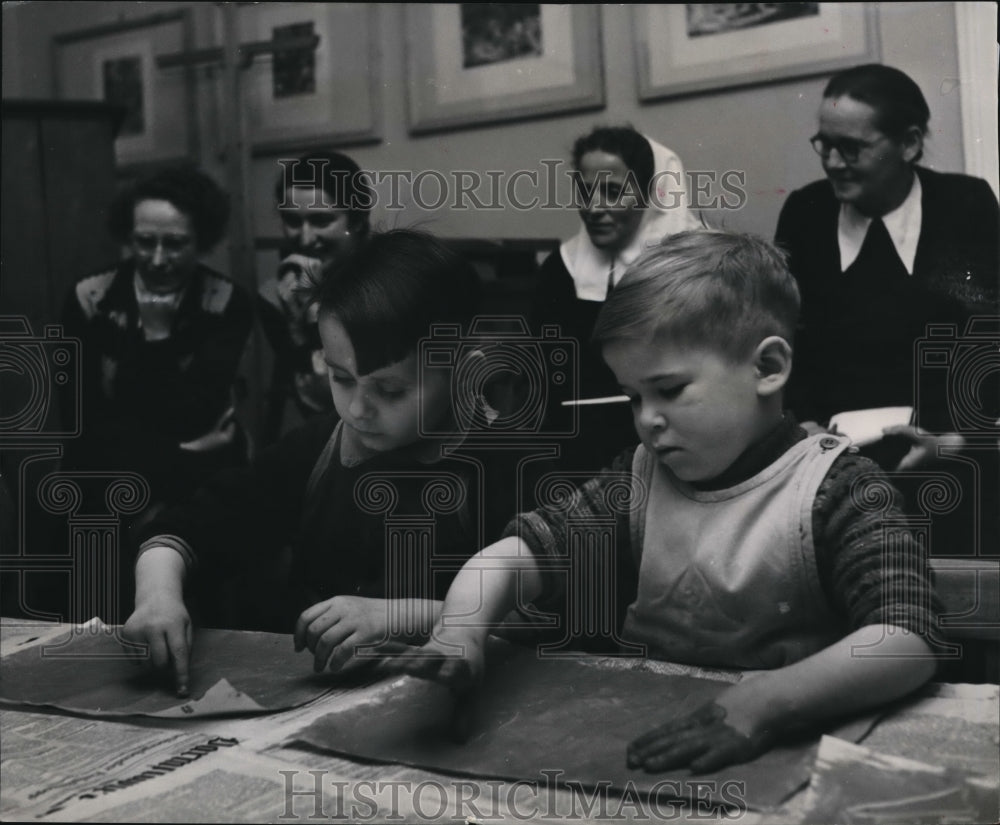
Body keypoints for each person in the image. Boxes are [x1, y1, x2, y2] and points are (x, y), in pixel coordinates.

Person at [374, 230, 942, 772]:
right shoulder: (638, 479)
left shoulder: (840, 488)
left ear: (767, 367)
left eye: (669, 390)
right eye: (632, 396)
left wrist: (766, 703)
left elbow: (906, 639)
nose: (647, 419)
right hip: (644, 737)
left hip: (790, 741)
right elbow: (515, 557)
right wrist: (460, 630)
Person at [122, 229, 523, 695]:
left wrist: (395, 616)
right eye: (340, 378)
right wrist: (157, 596)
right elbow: (188, 527)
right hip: (317, 699)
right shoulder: (320, 448)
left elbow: (545, 614)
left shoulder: (503, 462)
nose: (357, 409)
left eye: (390, 390)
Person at [775, 63, 999, 467]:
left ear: (909, 144)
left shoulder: (966, 206)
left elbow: (988, 339)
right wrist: (803, 424)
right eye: (824, 144)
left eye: (851, 147)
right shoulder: (805, 212)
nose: (832, 162)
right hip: (828, 451)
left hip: (943, 445)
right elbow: (782, 336)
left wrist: (954, 439)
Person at [61, 165, 254, 520]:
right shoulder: (89, 298)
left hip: (199, 473)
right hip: (111, 472)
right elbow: (80, 420)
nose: (158, 260)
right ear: (128, 237)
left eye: (176, 244)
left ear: (202, 241)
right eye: (145, 242)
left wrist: (158, 335)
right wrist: (184, 452)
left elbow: (199, 411)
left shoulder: (227, 302)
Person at [531, 125, 702, 474]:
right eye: (585, 191)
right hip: (573, 451)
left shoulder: (693, 266)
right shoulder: (559, 269)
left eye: (612, 191)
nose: (594, 208)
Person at [258, 151, 374, 444]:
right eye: (292, 221)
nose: (305, 238)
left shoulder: (391, 283)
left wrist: (314, 315)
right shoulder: (275, 293)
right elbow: (301, 396)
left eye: (321, 220)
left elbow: (355, 403)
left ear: (357, 220)